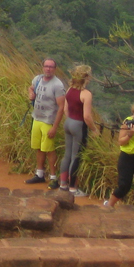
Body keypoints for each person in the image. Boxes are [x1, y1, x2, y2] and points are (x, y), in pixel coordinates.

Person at [26, 58, 66, 187]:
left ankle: (54, 178)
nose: (48, 69)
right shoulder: (37, 79)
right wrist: (31, 93)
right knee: (38, 147)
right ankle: (40, 174)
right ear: (43, 67)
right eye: (46, 66)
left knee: (49, 149)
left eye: (51, 67)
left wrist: (55, 127)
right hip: (37, 118)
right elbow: (31, 87)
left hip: (48, 120)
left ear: (55, 69)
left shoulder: (58, 85)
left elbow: (61, 107)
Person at [59, 65, 94, 196]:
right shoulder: (86, 94)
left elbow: (65, 109)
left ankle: (63, 184)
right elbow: (87, 116)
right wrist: (94, 129)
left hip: (68, 122)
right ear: (85, 78)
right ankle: (73, 188)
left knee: (67, 155)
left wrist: (71, 120)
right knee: (76, 156)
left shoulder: (69, 90)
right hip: (79, 124)